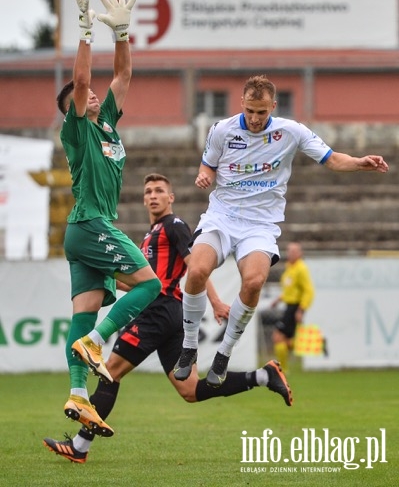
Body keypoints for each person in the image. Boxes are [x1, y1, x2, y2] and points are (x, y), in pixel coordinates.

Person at [43, 173, 292, 464]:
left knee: (110, 371)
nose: (153, 195)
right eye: (148, 191)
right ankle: (263, 376)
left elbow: (195, 267)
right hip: (170, 315)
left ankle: (80, 446)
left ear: (170, 198)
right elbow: (135, 282)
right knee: (190, 390)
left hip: (159, 311)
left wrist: (214, 301)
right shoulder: (151, 234)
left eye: (159, 190)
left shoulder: (173, 226)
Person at [173, 74, 389, 388]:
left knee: (255, 281)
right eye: (250, 110)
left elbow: (331, 159)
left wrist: (360, 162)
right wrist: (204, 175)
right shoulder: (222, 130)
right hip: (222, 216)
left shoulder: (291, 131)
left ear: (273, 106)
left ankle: (224, 353)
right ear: (242, 104)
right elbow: (207, 164)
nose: (255, 118)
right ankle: (189, 346)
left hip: (260, 223)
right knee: (196, 270)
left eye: (262, 112)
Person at [55, 0, 162, 438]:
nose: (93, 95)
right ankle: (97, 342)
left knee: (83, 313)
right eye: (83, 97)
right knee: (151, 284)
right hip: (91, 223)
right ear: (71, 112)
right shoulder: (78, 128)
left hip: (81, 234)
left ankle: (78, 396)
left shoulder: (107, 124)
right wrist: (85, 33)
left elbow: (122, 74)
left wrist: (121, 32)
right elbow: (81, 84)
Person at [271, 242, 315, 373]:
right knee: (286, 340)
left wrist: (301, 309)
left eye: (294, 251)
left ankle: (283, 369)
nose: (290, 253)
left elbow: (309, 291)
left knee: (278, 337)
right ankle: (284, 367)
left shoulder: (301, 269)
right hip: (289, 306)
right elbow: (290, 290)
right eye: (289, 251)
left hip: (294, 307)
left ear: (300, 253)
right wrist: (278, 299)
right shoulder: (290, 268)